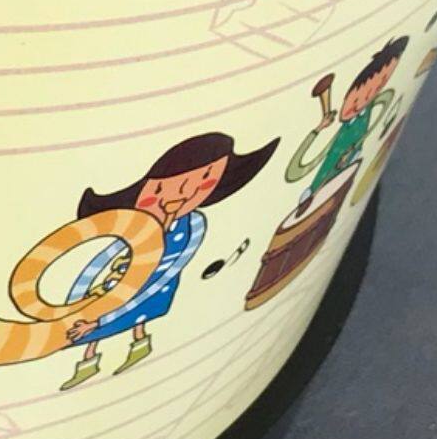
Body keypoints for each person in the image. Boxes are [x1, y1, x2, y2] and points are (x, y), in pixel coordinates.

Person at [60, 129, 276, 390]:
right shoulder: (136, 229)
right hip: (118, 282)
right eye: (159, 189)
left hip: (154, 284)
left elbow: (169, 269)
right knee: (97, 318)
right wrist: (73, 304)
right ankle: (92, 361)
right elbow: (102, 262)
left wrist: (98, 321)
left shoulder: (192, 225)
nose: (180, 195)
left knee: (131, 317)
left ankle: (135, 346)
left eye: (203, 182)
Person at [283, 38, 407, 213]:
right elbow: (295, 170)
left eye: (372, 93)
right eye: (356, 100)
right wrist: (318, 129)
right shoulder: (342, 133)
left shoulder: (365, 117)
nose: (359, 104)